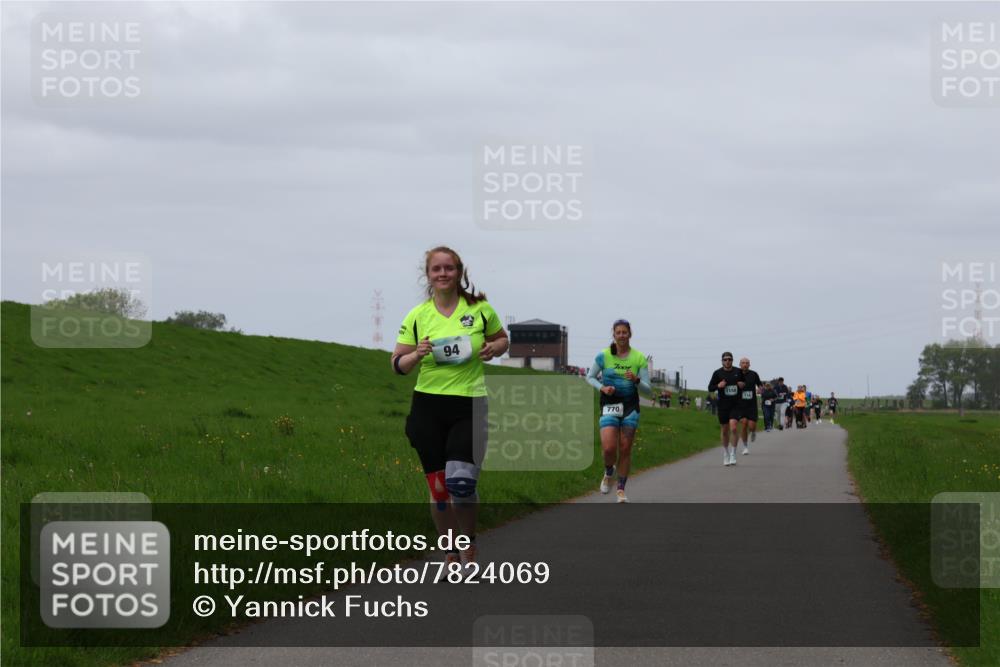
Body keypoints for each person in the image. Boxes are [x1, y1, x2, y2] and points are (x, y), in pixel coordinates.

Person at [392, 246, 509, 570]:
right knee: (439, 489)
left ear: (459, 272)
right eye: (437, 269)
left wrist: (493, 347)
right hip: (428, 407)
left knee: (461, 483)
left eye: (449, 268)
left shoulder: (480, 309)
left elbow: (503, 340)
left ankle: (468, 546)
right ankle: (449, 554)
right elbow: (397, 364)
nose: (443, 274)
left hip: (469, 403)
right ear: (428, 275)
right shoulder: (417, 316)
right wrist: (416, 355)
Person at [587, 319, 651, 503]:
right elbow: (590, 377)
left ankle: (621, 490)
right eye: (618, 332)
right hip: (609, 404)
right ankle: (609, 472)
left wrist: (637, 380)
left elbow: (648, 391)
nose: (622, 335)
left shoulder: (638, 358)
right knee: (608, 448)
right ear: (614, 335)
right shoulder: (604, 355)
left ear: (630, 334)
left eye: (625, 332)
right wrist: (602, 388)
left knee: (625, 448)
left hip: (630, 407)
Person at [708, 351, 744, 466]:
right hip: (723, 405)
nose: (727, 361)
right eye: (725, 359)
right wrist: (718, 386)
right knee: (724, 430)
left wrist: (742, 385)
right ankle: (726, 453)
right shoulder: (717, 373)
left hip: (736, 404)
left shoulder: (738, 371)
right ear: (722, 361)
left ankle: (733, 453)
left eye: (729, 359)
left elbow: (745, 384)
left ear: (732, 361)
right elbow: (710, 387)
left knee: (733, 427)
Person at [737, 357, 763, 454]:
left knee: (751, 426)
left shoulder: (753, 374)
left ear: (749, 365)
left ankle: (753, 431)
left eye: (747, 363)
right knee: (744, 424)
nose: (745, 364)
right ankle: (745, 447)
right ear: (740, 364)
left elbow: (760, 384)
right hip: (740, 404)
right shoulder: (736, 374)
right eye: (743, 363)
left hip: (751, 404)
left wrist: (760, 389)